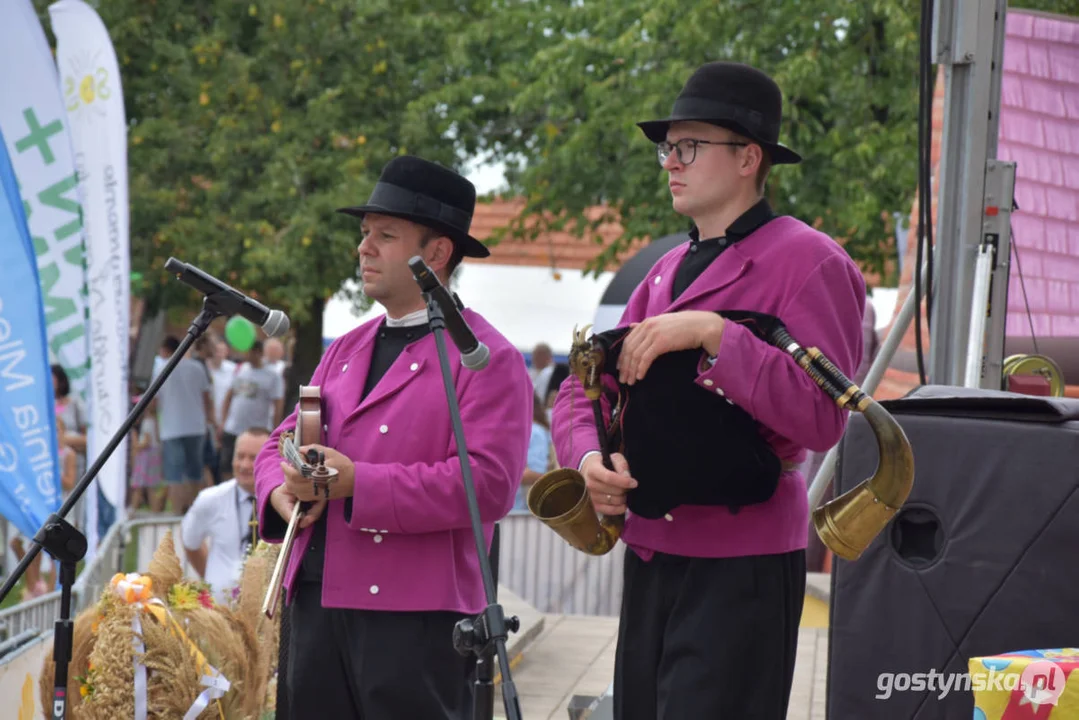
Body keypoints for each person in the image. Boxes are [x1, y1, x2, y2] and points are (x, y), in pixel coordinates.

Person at [551, 62, 866, 719]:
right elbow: (583, 390)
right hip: (649, 550)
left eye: (688, 146)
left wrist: (718, 336)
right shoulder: (662, 269)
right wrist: (586, 461)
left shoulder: (813, 261)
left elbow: (821, 418)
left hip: (742, 562)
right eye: (668, 147)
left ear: (749, 158)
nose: (670, 161)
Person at [254, 155, 533, 719]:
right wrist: (280, 491)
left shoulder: (485, 358)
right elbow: (277, 445)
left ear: (436, 254)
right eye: (364, 234)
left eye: (385, 235)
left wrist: (360, 484)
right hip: (316, 601)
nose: (365, 248)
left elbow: (489, 486)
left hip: (416, 619)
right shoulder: (345, 347)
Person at [181, 427, 270, 604]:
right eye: (240, 456)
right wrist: (214, 577)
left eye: (253, 458)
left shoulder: (284, 500)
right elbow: (190, 542)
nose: (244, 465)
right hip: (222, 614)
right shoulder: (210, 499)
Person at [152, 336, 217, 514]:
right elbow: (207, 400)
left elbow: (153, 402)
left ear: (166, 350)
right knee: (195, 473)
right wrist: (211, 422)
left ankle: (176, 513)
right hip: (196, 427)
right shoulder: (197, 368)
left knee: (174, 476)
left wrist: (154, 424)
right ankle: (194, 512)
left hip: (171, 428)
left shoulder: (161, 368)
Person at [219, 339, 284, 477]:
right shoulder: (240, 370)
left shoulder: (272, 376)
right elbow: (229, 397)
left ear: (259, 353)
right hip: (233, 428)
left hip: (257, 431)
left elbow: (278, 405)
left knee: (254, 468)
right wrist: (223, 421)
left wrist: (274, 430)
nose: (247, 355)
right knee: (227, 467)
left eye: (250, 351)